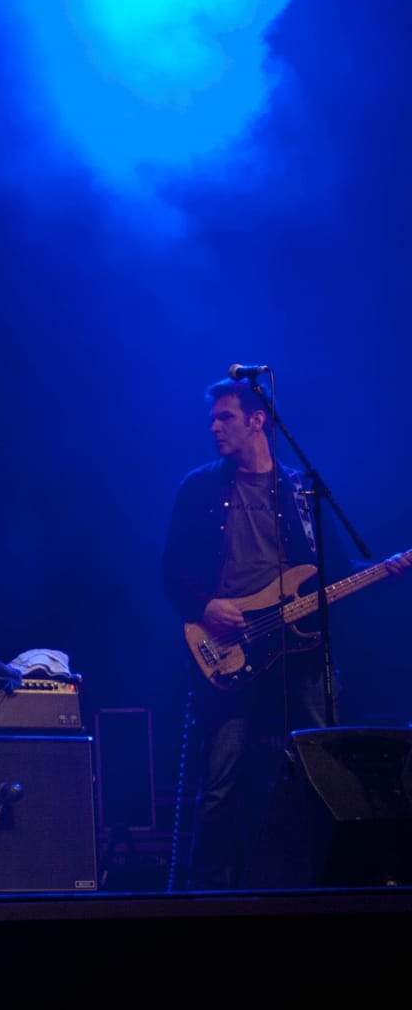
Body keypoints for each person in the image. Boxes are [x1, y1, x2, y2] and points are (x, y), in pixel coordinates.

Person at [161, 377, 406, 889]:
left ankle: (335, 882)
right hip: (229, 646)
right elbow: (171, 570)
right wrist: (206, 606)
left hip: (299, 648)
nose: (214, 427)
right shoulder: (199, 487)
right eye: (213, 418)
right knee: (220, 781)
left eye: (225, 417)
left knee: (329, 766)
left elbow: (335, 575)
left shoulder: (302, 491)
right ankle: (206, 894)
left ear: (257, 420)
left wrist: (385, 571)